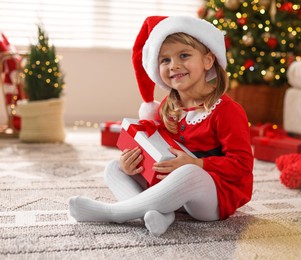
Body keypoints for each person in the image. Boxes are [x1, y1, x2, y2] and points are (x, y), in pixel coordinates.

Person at [68, 16, 254, 236]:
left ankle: (116, 213)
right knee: (114, 168)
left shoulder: (226, 110)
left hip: (213, 197)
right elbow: (161, 152)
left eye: (183, 55)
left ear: (208, 60)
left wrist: (198, 164)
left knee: (189, 173)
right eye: (164, 60)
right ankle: (160, 214)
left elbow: (242, 164)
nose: (173, 65)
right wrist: (134, 163)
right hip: (173, 191)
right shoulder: (168, 107)